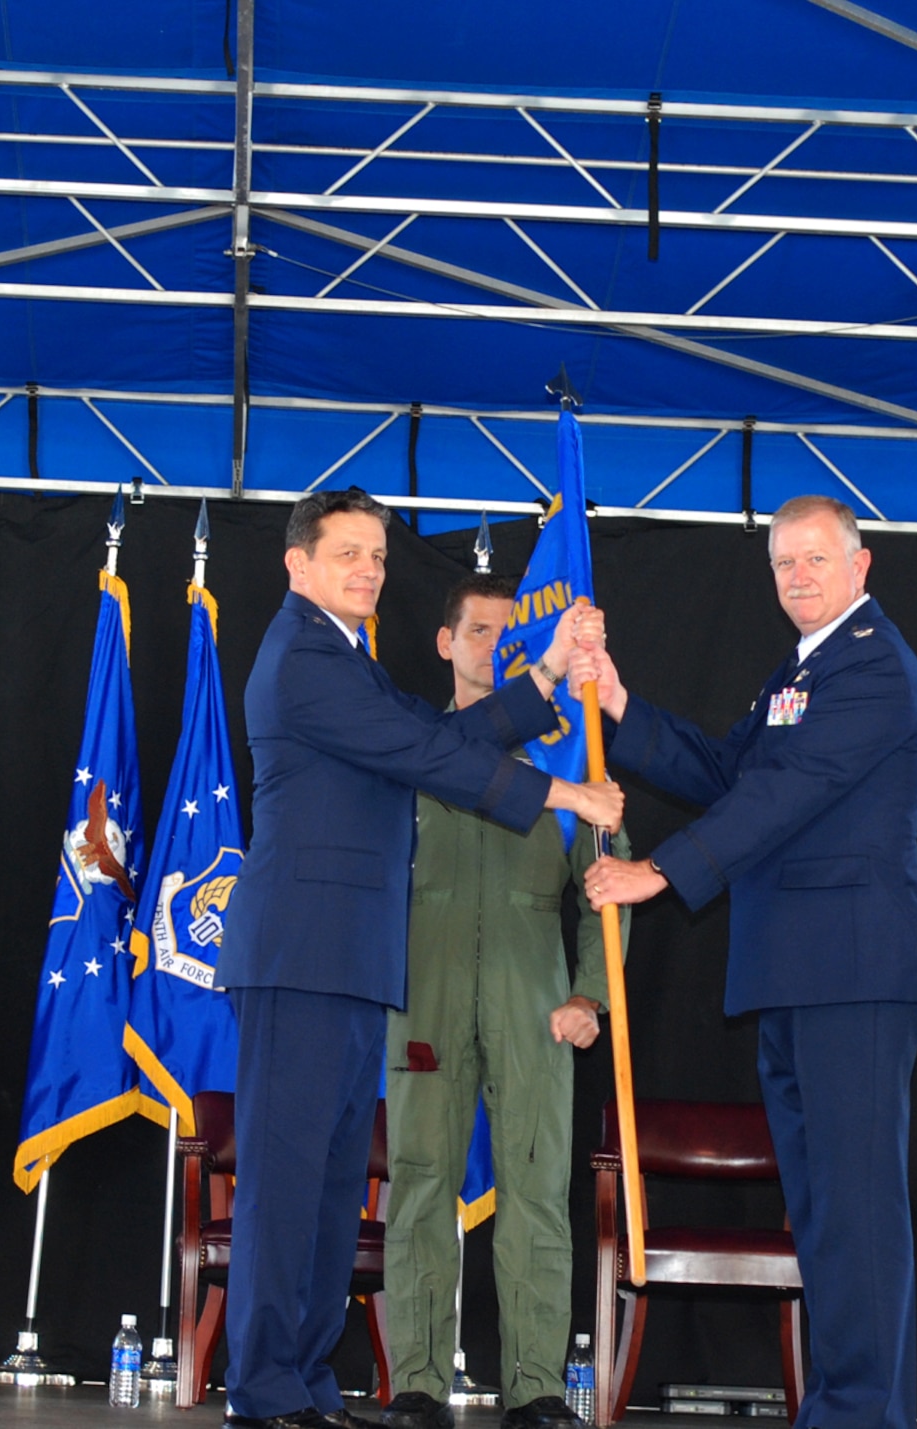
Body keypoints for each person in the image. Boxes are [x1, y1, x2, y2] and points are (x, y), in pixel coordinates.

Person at [214, 488, 623, 1429]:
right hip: (303, 956)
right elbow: (425, 756)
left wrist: (550, 669)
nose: (367, 570)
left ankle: (305, 1381)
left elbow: (443, 734)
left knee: (325, 1187)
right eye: (347, 552)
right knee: (286, 1185)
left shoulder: (347, 657)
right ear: (297, 564)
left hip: (356, 961)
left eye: (378, 556)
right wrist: (562, 789)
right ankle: (265, 1390)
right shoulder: (302, 657)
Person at [581, 495, 917, 1429]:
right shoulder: (802, 671)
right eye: (783, 563)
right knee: (823, 1213)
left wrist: (659, 869)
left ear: (862, 567)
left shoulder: (873, 670)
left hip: (853, 974)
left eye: (816, 559)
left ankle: (862, 1413)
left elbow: (784, 794)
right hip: (795, 974)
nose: (798, 576)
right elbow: (730, 772)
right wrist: (620, 703)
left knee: (854, 1211)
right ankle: (846, 1406)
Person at [380, 574, 630, 1429]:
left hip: (534, 1002)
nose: (490, 645)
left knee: (534, 1191)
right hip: (423, 997)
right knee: (417, 1186)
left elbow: (609, 886)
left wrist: (590, 995)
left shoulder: (570, 756)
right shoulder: (410, 747)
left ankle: (536, 1389)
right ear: (445, 642)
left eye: (503, 632)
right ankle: (415, 1380)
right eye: (475, 631)